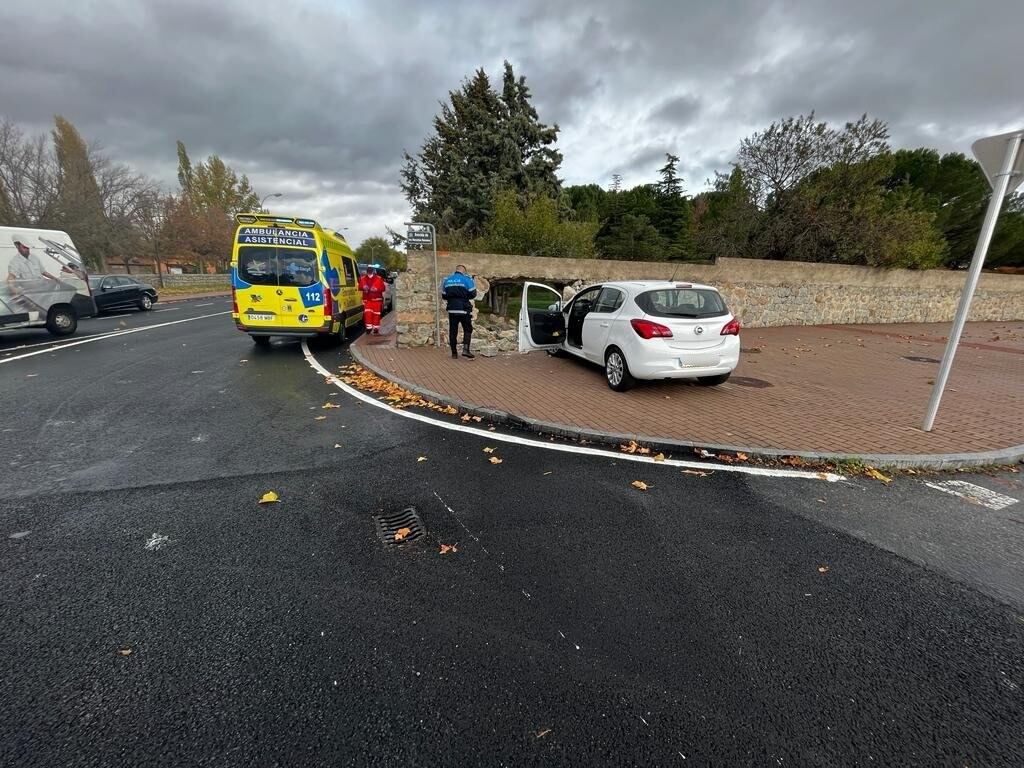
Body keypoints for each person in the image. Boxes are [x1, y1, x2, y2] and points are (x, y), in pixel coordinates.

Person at [441, 264, 477, 359]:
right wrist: (464, 296)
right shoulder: (466, 279)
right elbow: (473, 294)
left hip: (452, 309)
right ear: (463, 271)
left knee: (453, 331)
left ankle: (454, 353)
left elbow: (444, 296)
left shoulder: (447, 280)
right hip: (464, 309)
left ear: (456, 270)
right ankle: (466, 350)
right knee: (468, 329)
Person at [359, 266, 386, 334]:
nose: (369, 274)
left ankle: (375, 328)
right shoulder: (363, 279)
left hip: (376, 299)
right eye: (369, 272)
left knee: (376, 314)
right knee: (368, 314)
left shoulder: (378, 279)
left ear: (373, 272)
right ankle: (369, 328)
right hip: (367, 300)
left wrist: (376, 289)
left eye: (370, 272)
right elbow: (359, 287)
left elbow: (383, 288)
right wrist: (363, 287)